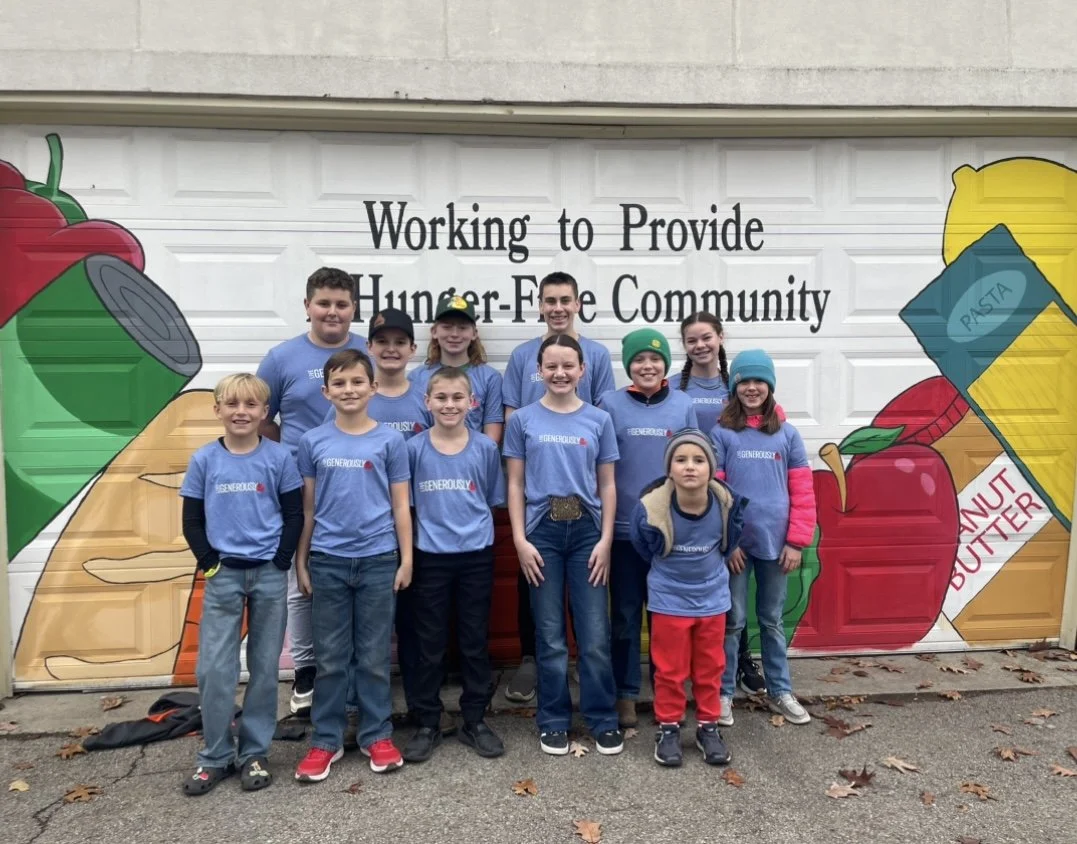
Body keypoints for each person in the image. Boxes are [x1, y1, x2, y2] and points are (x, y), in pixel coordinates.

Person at [179, 373, 304, 794]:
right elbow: (192, 520)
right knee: (215, 669)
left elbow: (293, 514)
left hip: (268, 573)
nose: (241, 412)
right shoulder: (204, 460)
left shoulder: (279, 458)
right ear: (217, 410)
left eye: (251, 405)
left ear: (265, 412)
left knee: (265, 668)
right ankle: (214, 756)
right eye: (232, 404)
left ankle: (254, 752)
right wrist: (210, 564)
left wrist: (281, 560)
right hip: (224, 575)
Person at [293, 349, 412, 782]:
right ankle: (326, 739)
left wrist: (406, 559)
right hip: (328, 560)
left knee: (374, 656)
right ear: (326, 392)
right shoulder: (312, 442)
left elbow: (400, 506)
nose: (349, 390)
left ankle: (376, 734)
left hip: (379, 559)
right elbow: (308, 509)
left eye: (357, 381)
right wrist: (302, 561)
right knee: (331, 658)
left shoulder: (390, 442)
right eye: (339, 383)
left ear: (373, 387)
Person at [503, 334, 623, 757]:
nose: (560, 373)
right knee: (550, 636)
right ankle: (553, 719)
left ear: (582, 370)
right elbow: (514, 483)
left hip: (588, 532)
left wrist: (606, 540)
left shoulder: (598, 420)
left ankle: (602, 718)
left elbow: (607, 484)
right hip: (542, 534)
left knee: (594, 635)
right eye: (551, 366)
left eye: (568, 366)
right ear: (539, 371)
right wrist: (519, 540)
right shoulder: (522, 421)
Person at [256, 267, 368, 717]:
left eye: (342, 304)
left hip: (357, 481)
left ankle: (356, 672)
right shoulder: (281, 358)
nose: (332, 312)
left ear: (353, 308)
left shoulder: (367, 352)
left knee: (359, 574)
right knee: (299, 579)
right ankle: (305, 670)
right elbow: (263, 418)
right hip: (299, 485)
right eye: (324, 303)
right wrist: (288, 461)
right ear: (307, 306)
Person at [322, 307, 431, 745]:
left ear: (412, 348)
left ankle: (402, 715)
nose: (390, 349)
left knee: (399, 632)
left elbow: (446, 448)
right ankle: (345, 720)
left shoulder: (421, 400)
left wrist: (408, 554)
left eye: (399, 342)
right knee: (344, 645)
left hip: (409, 529)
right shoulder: (338, 415)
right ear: (368, 348)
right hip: (351, 539)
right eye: (382, 341)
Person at [402, 367, 506, 763]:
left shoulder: (484, 448)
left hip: (475, 557)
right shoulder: (413, 449)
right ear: (426, 401)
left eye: (457, 397)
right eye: (441, 397)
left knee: (473, 640)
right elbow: (408, 507)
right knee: (429, 643)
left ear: (472, 402)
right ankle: (428, 721)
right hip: (430, 558)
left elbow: (491, 500)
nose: (449, 405)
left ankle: (474, 719)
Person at [709, 350, 817, 727]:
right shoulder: (722, 433)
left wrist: (796, 541)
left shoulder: (787, 434)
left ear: (769, 386)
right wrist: (728, 542)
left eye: (759, 381)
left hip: (777, 546)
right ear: (734, 387)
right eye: (744, 381)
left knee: (771, 620)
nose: (751, 388)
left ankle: (780, 690)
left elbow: (803, 492)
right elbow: (715, 492)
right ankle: (723, 693)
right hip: (737, 548)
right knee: (733, 620)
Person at [630, 430, 746, 767]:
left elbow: (728, 542)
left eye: (698, 460)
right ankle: (668, 728)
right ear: (669, 468)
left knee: (710, 668)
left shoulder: (726, 504)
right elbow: (643, 546)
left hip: (712, 600)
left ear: (711, 468)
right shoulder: (651, 508)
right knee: (670, 670)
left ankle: (708, 727)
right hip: (669, 601)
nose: (690, 467)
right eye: (681, 460)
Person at [598, 328, 695, 728]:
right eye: (639, 359)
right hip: (623, 532)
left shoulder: (683, 406)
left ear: (665, 364)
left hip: (667, 532)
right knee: (624, 616)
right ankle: (625, 693)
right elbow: (600, 466)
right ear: (628, 365)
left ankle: (665, 692)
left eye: (655, 359)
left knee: (665, 618)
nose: (647, 366)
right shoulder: (609, 404)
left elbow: (693, 464)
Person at [675, 312, 766, 697]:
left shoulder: (738, 385)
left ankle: (741, 659)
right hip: (688, 498)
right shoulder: (675, 389)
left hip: (729, 498)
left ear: (720, 338)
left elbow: (767, 423)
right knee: (693, 580)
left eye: (706, 337)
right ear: (684, 345)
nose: (700, 345)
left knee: (732, 585)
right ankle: (691, 663)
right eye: (692, 340)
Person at [409, 294, 503, 445]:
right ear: (434, 331)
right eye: (447, 327)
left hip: (474, 458)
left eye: (462, 327)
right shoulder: (417, 378)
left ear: (474, 333)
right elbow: (416, 430)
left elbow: (492, 436)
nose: (454, 334)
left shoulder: (490, 378)